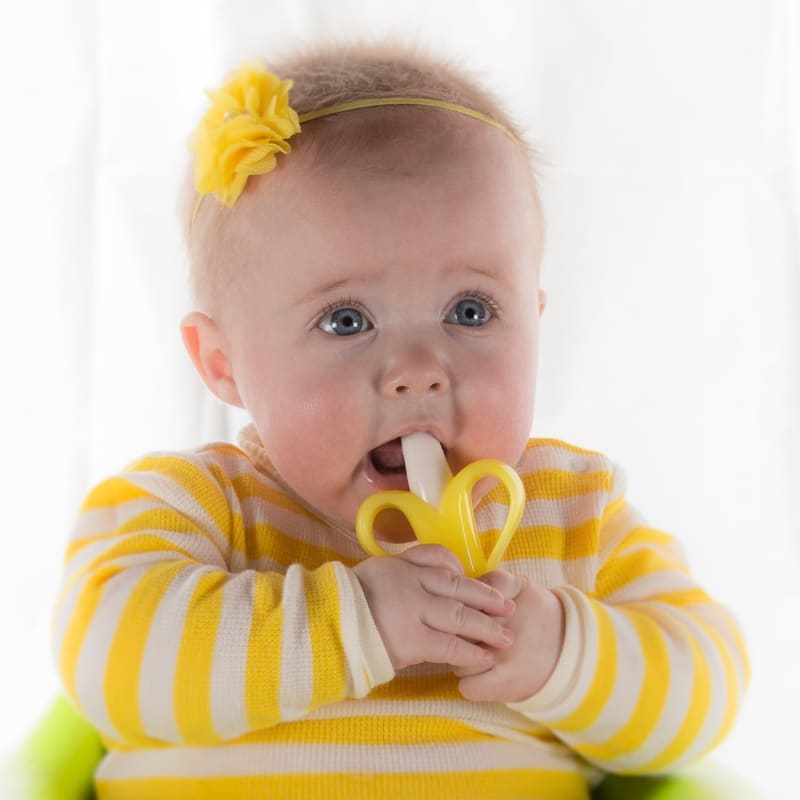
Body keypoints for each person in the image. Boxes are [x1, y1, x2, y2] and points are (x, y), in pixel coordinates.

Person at [52, 42, 749, 800]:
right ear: (223, 363)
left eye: (471, 311)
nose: (419, 368)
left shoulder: (575, 515)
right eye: (346, 321)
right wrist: (354, 624)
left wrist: (561, 651)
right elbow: (104, 660)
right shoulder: (195, 507)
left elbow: (705, 691)